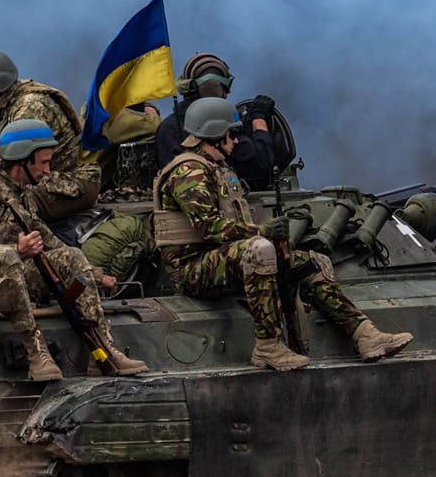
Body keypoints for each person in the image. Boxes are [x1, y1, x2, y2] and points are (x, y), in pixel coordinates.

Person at [153, 97, 410, 371]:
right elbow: (210, 227)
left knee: (312, 262)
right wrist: (261, 231)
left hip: (220, 259)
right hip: (192, 268)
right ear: (215, 135)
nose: (237, 141)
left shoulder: (217, 169)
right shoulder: (189, 172)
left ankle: (365, 335)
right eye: (233, 134)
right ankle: (268, 347)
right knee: (259, 251)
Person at [0, 118, 146, 379]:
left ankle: (102, 349)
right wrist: (16, 249)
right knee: (6, 255)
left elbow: (49, 240)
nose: (47, 171)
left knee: (71, 256)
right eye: (43, 162)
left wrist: (97, 275)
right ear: (22, 160)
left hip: (2, 275)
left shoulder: (22, 194)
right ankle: (35, 352)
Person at [0, 49, 97, 220]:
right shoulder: (1, 108)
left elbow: (14, 163)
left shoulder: (30, 107)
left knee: (6, 206)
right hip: (40, 176)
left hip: (70, 182)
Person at [153, 52, 285, 190]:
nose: (226, 94)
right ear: (213, 87)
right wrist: (259, 119)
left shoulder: (165, 127)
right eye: (225, 87)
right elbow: (261, 164)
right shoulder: (215, 127)